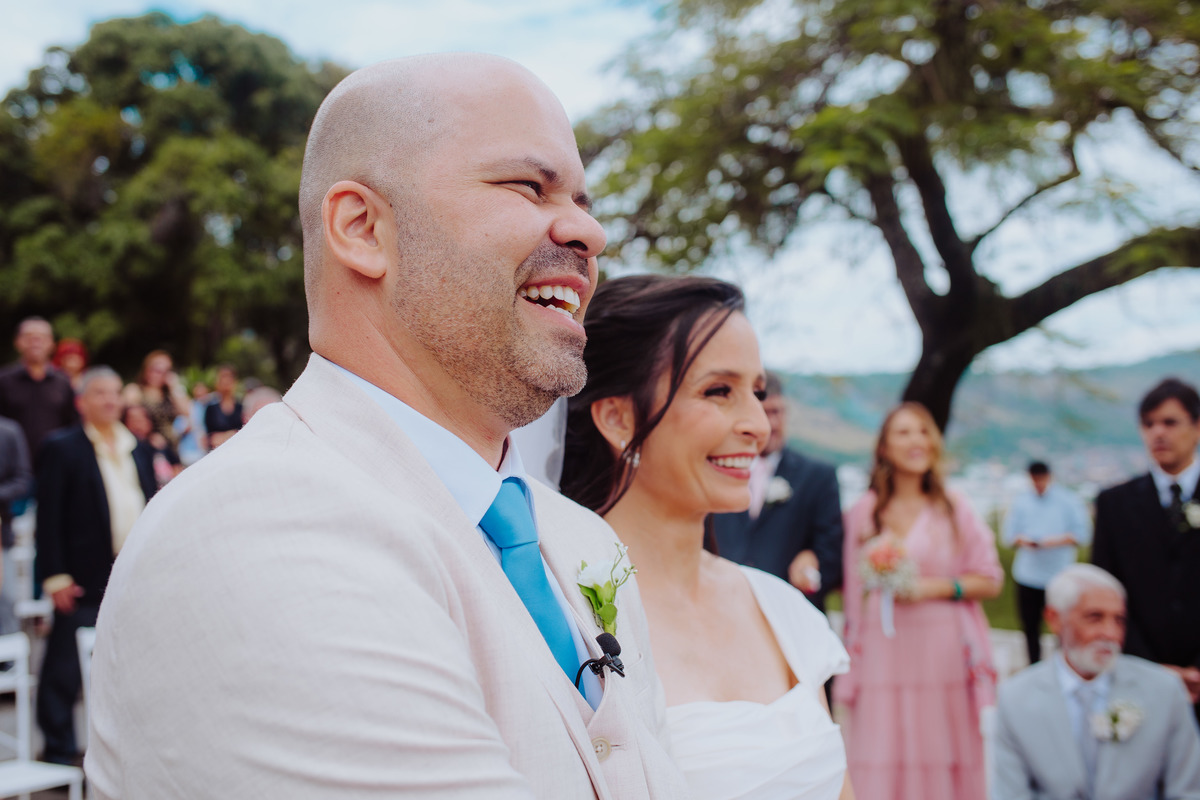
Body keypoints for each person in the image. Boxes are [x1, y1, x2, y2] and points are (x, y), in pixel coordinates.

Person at [86, 54, 687, 799]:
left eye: (582, 199)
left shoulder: (581, 541)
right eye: (527, 186)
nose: (588, 231)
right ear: (363, 228)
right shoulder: (258, 529)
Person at [561, 274, 854, 800]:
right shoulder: (565, 617)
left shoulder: (782, 611)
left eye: (757, 393)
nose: (757, 426)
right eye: (719, 391)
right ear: (618, 417)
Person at [834, 402, 1003, 800]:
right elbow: (853, 597)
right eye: (904, 433)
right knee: (882, 745)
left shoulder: (954, 507)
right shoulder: (863, 513)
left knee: (939, 743)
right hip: (882, 651)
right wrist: (850, 668)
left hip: (940, 650)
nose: (916, 441)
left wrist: (933, 588)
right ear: (884, 449)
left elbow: (990, 578)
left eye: (924, 432)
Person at [991, 564, 1200, 800]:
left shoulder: (1164, 690)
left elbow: (1187, 792)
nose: (1110, 633)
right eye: (1095, 617)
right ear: (1054, 619)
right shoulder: (1016, 697)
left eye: (1119, 620)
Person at [34, 367, 156, 766]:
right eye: (99, 393)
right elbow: (48, 517)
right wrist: (55, 575)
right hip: (83, 573)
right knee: (65, 667)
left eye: (115, 393)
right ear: (81, 401)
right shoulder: (63, 447)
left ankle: (123, 750)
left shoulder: (136, 446)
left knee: (131, 663)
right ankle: (57, 749)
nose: (109, 400)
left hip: (131, 571)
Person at [1093, 376, 1200, 719]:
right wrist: (1151, 668)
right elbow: (1106, 593)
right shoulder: (1113, 504)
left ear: (1196, 427)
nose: (1158, 433)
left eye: (1170, 422)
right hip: (1138, 677)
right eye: (1148, 424)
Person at [712, 370, 844, 611]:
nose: (771, 424)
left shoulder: (818, 476)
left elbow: (832, 556)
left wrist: (812, 564)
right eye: (764, 412)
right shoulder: (715, 470)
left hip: (789, 612)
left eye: (777, 412)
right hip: (721, 607)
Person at [1001, 460, 1091, 664]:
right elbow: (1009, 536)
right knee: (1030, 628)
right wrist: (1026, 540)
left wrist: (1052, 541)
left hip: (1058, 574)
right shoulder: (1021, 501)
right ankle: (1034, 667)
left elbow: (1082, 534)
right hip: (1028, 575)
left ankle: (1064, 667)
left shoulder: (1067, 500)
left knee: (1063, 627)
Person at [0, 317, 78, 467]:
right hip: (14, 468)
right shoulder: (3, 381)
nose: (35, 341)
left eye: (41, 337)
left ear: (51, 344)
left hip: (56, 464)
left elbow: (72, 425)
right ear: (17, 342)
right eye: (29, 337)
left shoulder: (63, 382)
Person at [121, 350, 190, 461]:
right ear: (146, 369)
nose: (160, 374)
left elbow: (187, 411)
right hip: (146, 449)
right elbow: (127, 420)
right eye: (156, 370)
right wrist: (149, 436)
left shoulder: (169, 395)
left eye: (166, 371)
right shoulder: (135, 391)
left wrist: (175, 386)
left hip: (171, 451)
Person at [0, 413, 32, 634]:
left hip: (2, 532)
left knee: (6, 596)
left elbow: (23, 479)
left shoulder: (8, 431)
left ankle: (8, 662)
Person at [203, 364, 243, 448]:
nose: (226, 381)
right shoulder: (211, 408)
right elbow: (209, 437)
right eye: (223, 377)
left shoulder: (241, 407)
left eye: (229, 377)